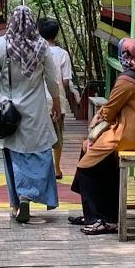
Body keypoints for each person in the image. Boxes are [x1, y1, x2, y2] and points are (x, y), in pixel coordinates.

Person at [70, 37, 135, 235]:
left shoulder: (127, 80)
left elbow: (109, 111)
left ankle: (100, 218)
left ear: (124, 56)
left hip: (128, 135)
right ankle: (99, 213)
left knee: (86, 167)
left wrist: (95, 121)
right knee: (88, 149)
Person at [0, 6, 62, 224]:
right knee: (40, 152)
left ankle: (17, 203)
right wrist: (56, 103)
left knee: (13, 153)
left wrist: (2, 88)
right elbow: (51, 80)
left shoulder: (1, 44)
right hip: (35, 109)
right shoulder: (42, 47)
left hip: (9, 109)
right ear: (31, 23)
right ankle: (29, 194)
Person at [37, 16, 80, 180]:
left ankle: (42, 169)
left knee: (40, 134)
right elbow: (65, 81)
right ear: (57, 35)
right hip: (58, 99)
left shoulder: (37, 51)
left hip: (38, 99)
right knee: (57, 135)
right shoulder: (63, 54)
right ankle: (56, 169)